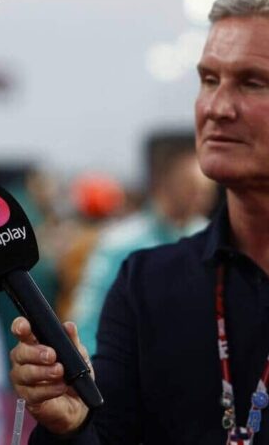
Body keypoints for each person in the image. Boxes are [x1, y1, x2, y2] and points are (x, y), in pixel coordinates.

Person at [9, 0, 269, 444]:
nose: (217, 107)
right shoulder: (146, 284)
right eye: (209, 80)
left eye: (253, 82)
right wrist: (72, 425)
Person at [69, 140, 215, 355]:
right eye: (191, 187)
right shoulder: (120, 244)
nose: (201, 197)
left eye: (206, 189)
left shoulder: (213, 240)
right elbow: (88, 320)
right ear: (164, 184)